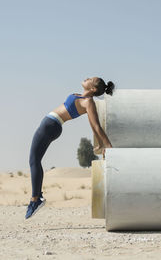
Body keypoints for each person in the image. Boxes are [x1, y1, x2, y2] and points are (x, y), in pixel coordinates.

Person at [25, 77, 114, 219]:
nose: (87, 78)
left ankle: (35, 200)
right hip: (50, 124)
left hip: (51, 125)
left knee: (34, 160)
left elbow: (95, 124)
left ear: (93, 89)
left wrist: (107, 145)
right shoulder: (81, 96)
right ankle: (37, 197)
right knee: (35, 160)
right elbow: (92, 123)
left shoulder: (88, 102)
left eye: (90, 79)